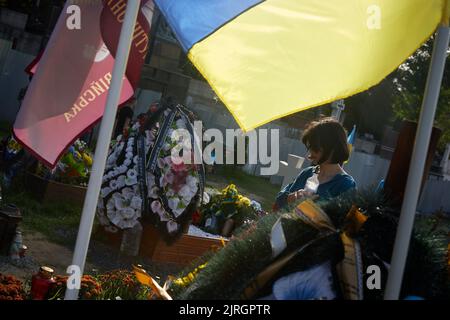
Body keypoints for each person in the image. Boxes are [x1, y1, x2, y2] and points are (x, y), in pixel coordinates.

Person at [274, 118, 356, 210]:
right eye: (310, 147)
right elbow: (278, 203)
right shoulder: (307, 173)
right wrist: (290, 198)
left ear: (332, 148)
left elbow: (341, 220)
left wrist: (314, 207)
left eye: (315, 148)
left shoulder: (345, 184)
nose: (310, 153)